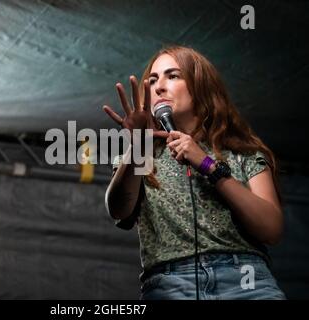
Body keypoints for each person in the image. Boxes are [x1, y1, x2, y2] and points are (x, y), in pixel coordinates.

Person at [102, 45, 286, 300]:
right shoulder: (140, 155)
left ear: (201, 87)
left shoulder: (244, 153)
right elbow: (118, 210)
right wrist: (138, 146)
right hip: (171, 284)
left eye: (173, 76)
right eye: (153, 79)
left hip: (246, 280)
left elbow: (271, 229)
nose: (159, 87)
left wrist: (207, 165)